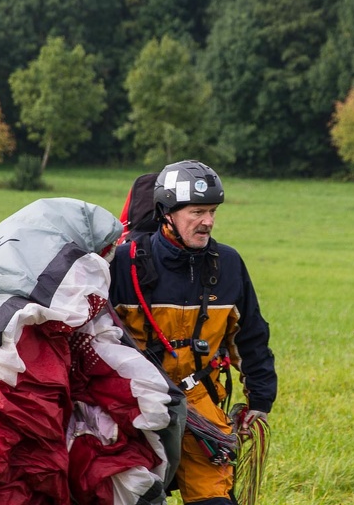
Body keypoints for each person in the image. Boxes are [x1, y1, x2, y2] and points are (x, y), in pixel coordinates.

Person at [109, 160, 277, 505]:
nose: (209, 222)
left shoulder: (228, 264)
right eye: (198, 212)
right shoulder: (123, 264)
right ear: (166, 214)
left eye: (213, 211)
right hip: (133, 404)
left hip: (199, 406)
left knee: (214, 499)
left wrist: (260, 399)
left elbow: (251, 336)